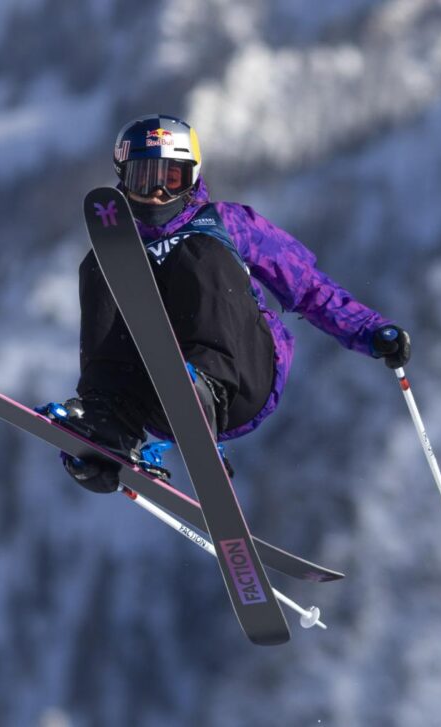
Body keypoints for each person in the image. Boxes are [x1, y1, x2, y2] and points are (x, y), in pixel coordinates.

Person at [45, 113, 411, 493]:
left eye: (171, 179)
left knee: (199, 248)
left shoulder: (226, 222)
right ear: (123, 177)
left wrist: (369, 330)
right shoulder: (117, 246)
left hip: (242, 377)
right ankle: (110, 418)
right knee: (100, 265)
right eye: (144, 178)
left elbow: (308, 287)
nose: (157, 192)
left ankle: (204, 385)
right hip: (157, 396)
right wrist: (87, 451)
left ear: (192, 178)